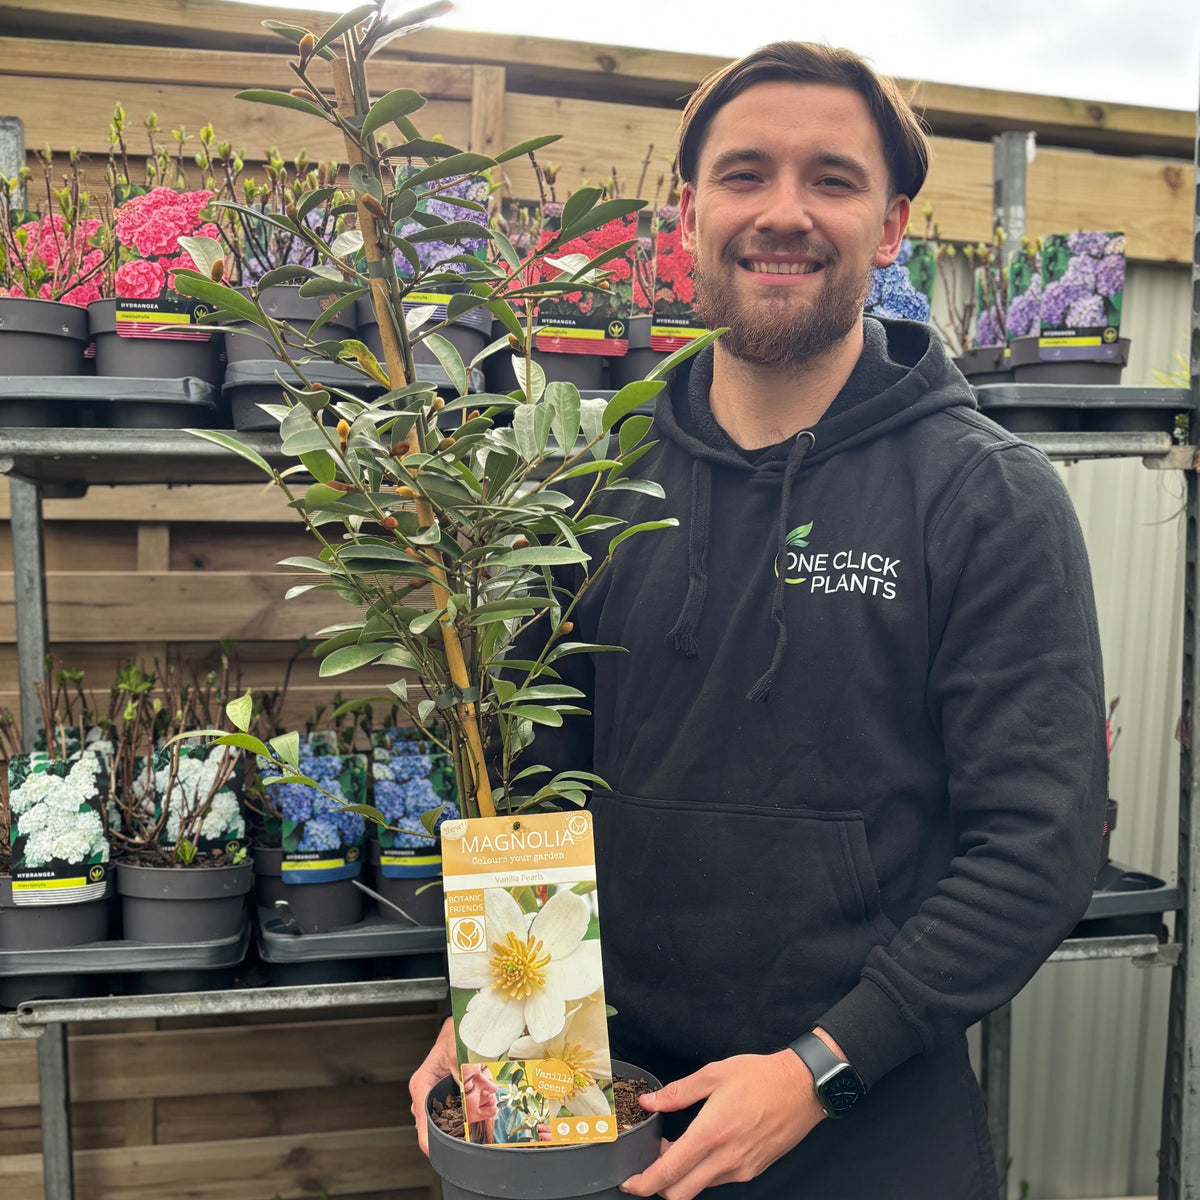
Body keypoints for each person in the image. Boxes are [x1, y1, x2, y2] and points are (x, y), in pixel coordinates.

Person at [411, 41, 1107, 1199]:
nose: (783, 212)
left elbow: (1040, 842)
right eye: (745, 175)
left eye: (831, 179)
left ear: (891, 228)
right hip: (604, 1097)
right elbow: (537, 775)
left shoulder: (987, 498)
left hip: (866, 1113)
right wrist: (495, 1005)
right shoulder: (588, 486)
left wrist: (820, 1067)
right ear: (685, 216)